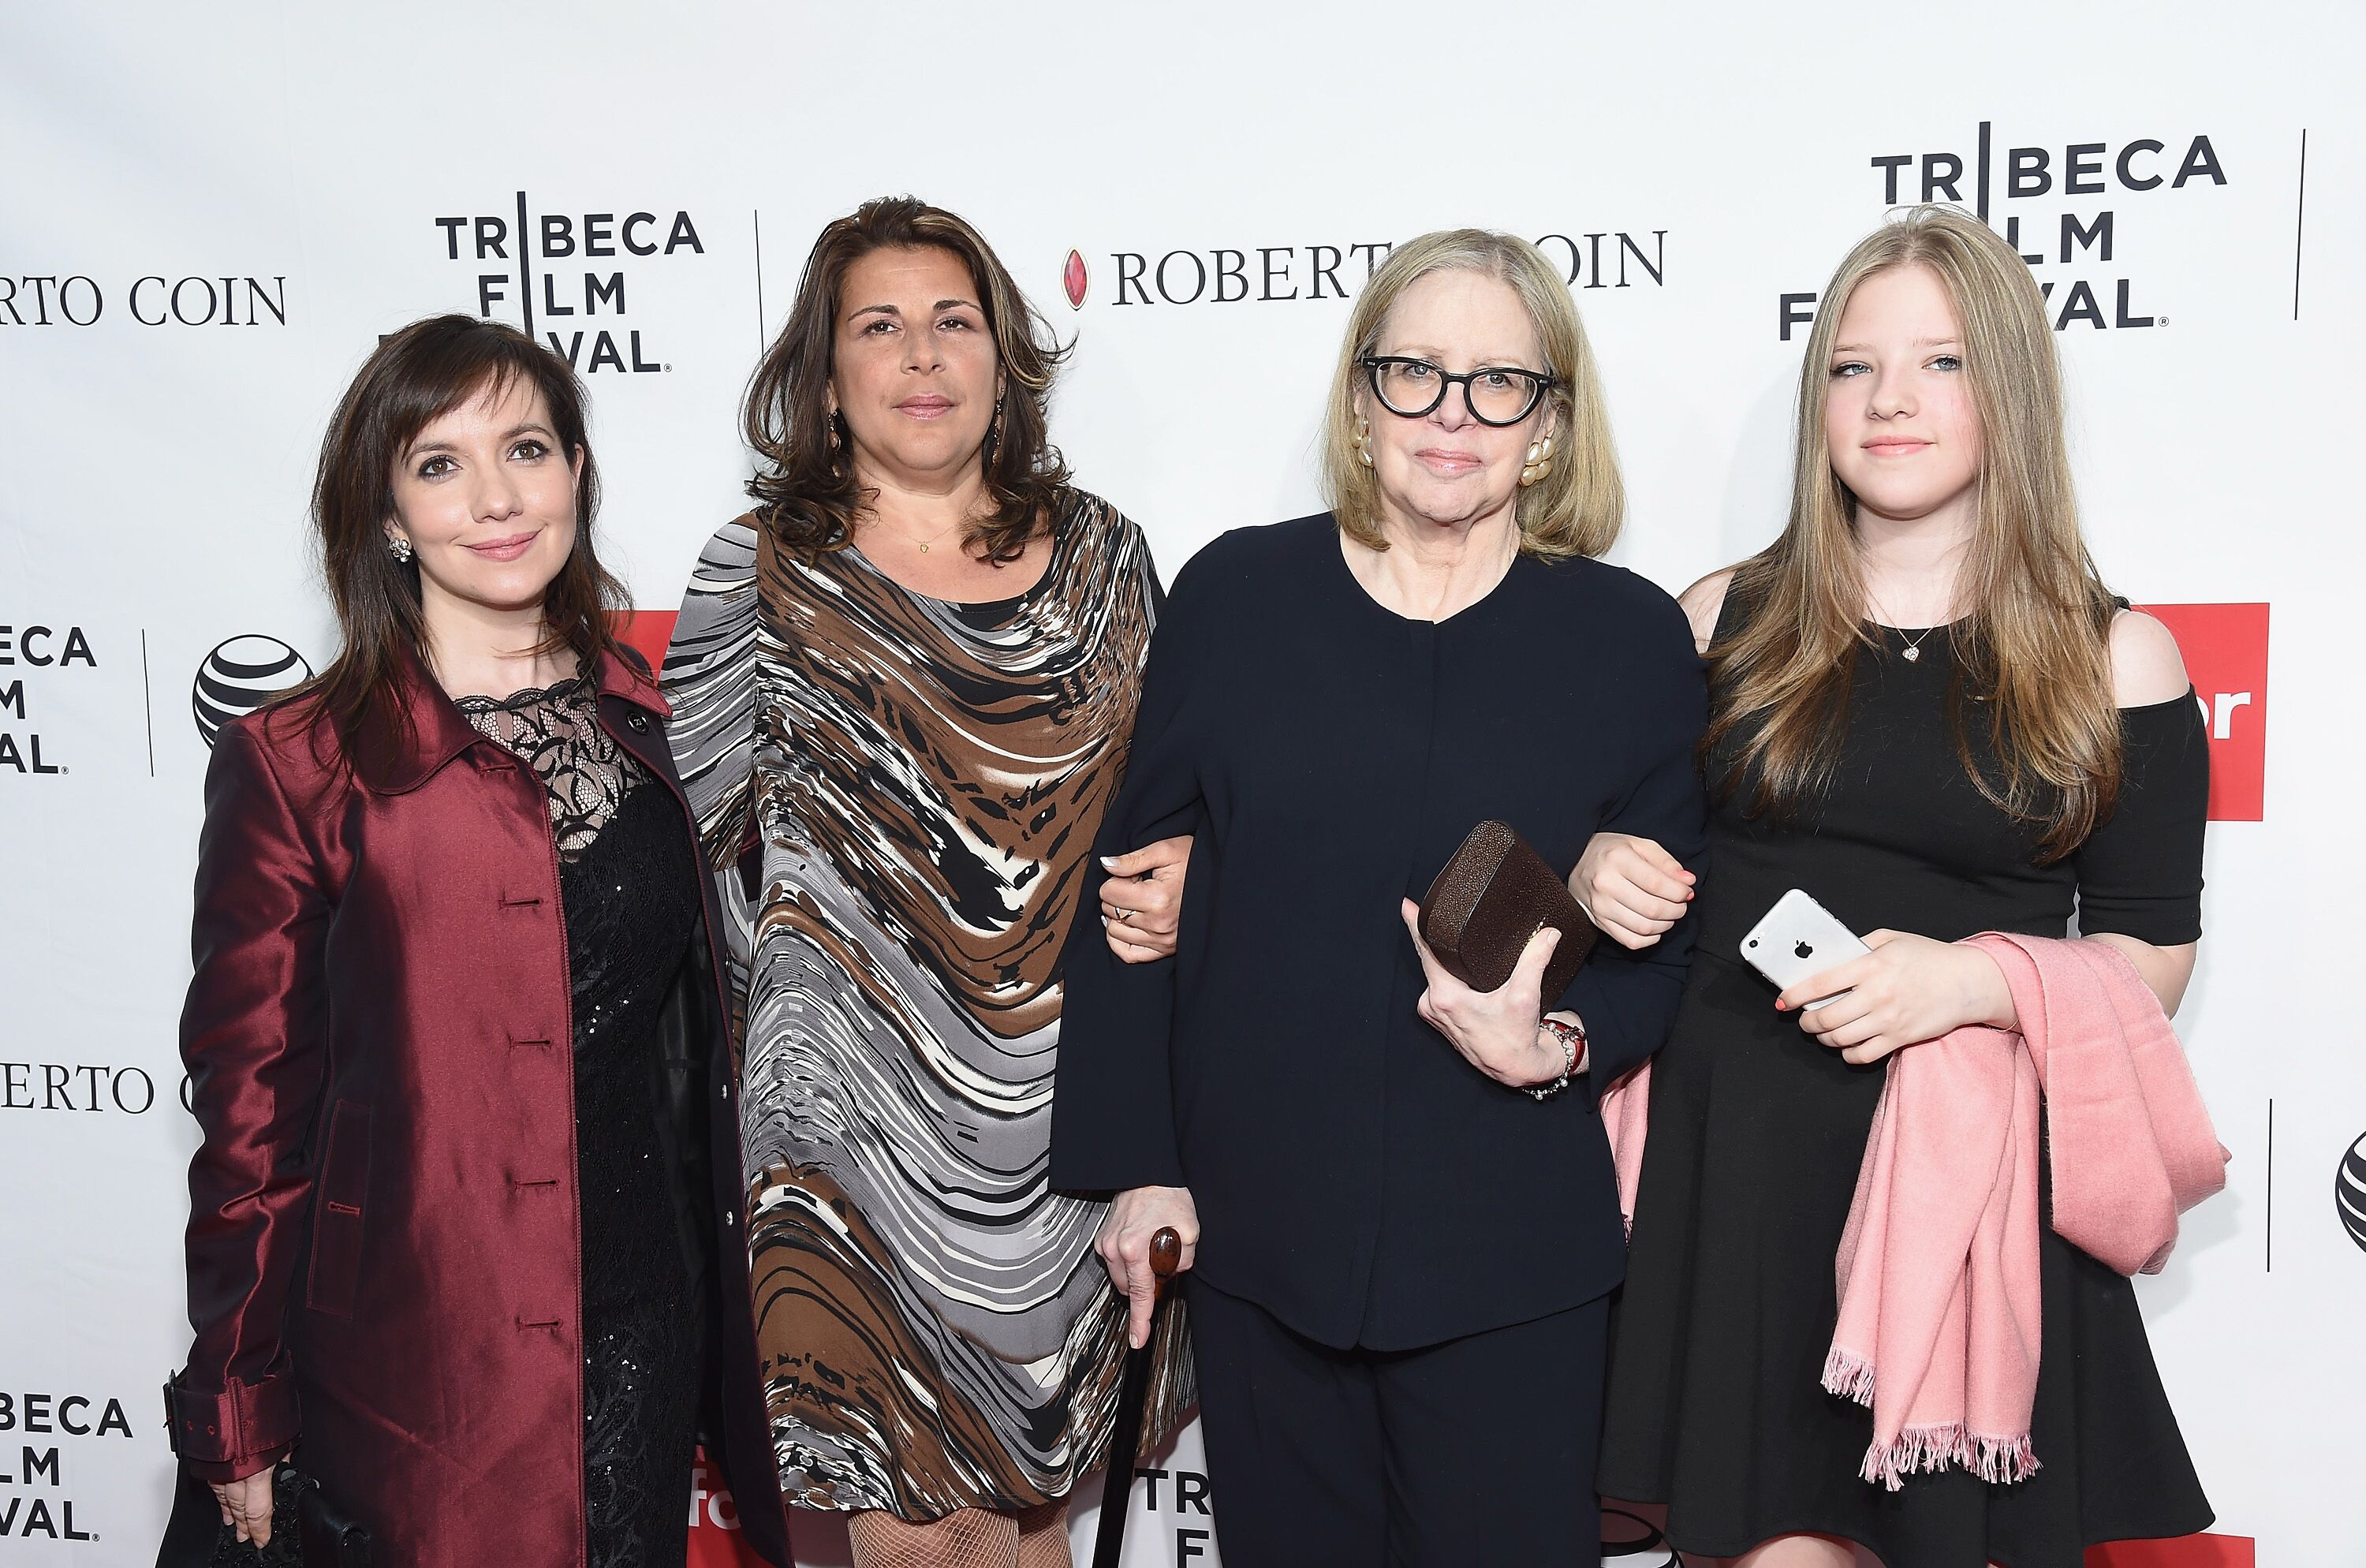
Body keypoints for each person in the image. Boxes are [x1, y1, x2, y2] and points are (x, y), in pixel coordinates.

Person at [1049, 229, 1708, 1567]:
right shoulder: (1237, 595)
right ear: (1361, 400)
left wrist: (1562, 1042)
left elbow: (1661, 961)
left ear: (1551, 421)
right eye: (1414, 373)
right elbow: (1131, 891)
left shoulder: (1630, 637)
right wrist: (1140, 1165)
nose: (1453, 414)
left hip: (1515, 1261)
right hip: (1260, 1252)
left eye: (1498, 383)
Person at [1588, 205, 2213, 1567]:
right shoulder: (1714, 622)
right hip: (1732, 1180)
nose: (1890, 401)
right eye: (1855, 367)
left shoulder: (2122, 663)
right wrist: (1597, 868)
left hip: (1966, 1201)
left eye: (1940, 364)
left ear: (2011, 389)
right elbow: (1617, 871)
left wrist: (1973, 980)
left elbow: (2153, 951)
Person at [162, 315, 788, 1568]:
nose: (495, 498)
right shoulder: (299, 762)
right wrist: (237, 1398)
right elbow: (251, 1125)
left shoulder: (668, 727)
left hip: (641, 1334)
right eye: (440, 465)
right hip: (412, 1363)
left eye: (528, 449)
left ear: (576, 475)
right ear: (387, 514)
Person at [661, 196, 1192, 1568]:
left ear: (1002, 357)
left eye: (953, 321)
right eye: (878, 326)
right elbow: (717, 867)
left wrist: (1189, 872)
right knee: (919, 1532)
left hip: (1073, 1117)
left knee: (1030, 1528)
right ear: (825, 374)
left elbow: (1176, 801)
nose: (921, 356)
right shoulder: (760, 571)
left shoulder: (1103, 557)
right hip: (849, 1131)